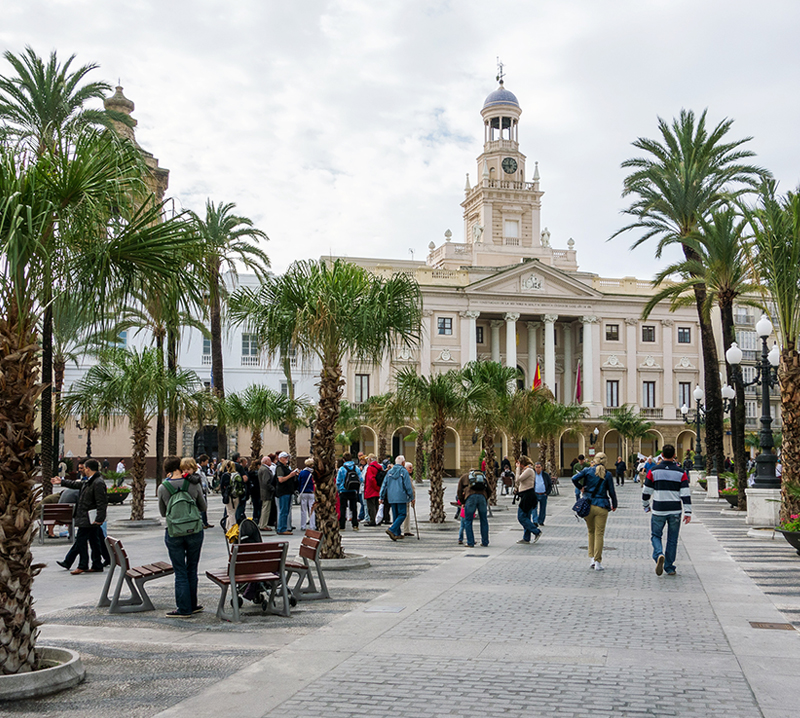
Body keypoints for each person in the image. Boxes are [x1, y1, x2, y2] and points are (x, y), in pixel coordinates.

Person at [158, 455, 206, 617]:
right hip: (195, 530)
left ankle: (183, 609)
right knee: (192, 569)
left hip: (174, 532)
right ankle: (192, 605)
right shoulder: (193, 483)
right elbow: (203, 507)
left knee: (180, 572)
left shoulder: (163, 487)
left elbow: (164, 512)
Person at [643, 443, 692, 576]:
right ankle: (669, 567)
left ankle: (659, 554)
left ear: (662, 455)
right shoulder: (681, 472)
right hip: (675, 509)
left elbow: (646, 491)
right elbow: (685, 493)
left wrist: (646, 505)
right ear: (674, 456)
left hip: (659, 508)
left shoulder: (653, 470)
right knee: (672, 539)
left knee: (655, 535)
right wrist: (688, 512)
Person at [54, 459, 108, 574]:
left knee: (82, 541)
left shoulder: (98, 482)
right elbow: (77, 484)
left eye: (84, 468)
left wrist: (99, 518)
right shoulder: (90, 481)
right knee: (94, 541)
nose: (83, 470)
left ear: (88, 468)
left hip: (89, 518)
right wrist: (62, 482)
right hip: (86, 517)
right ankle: (97, 564)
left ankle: (82, 565)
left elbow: (102, 502)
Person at [572, 452, 617, 571]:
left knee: (591, 531)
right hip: (602, 506)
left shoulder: (587, 470)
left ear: (595, 460)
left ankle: (591, 558)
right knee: (599, 534)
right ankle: (598, 561)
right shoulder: (607, 474)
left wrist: (580, 488)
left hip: (588, 505)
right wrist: (615, 504)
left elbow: (574, 478)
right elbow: (611, 492)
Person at [379, 455, 414, 541]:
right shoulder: (404, 472)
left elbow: (384, 484)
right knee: (402, 514)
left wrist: (381, 496)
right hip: (401, 496)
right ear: (403, 463)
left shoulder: (389, 472)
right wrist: (411, 496)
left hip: (391, 496)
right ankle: (392, 529)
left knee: (395, 515)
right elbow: (407, 486)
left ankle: (397, 533)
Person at [457, 467, 491, 548]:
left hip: (470, 498)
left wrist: (463, 502)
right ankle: (485, 542)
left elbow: (459, 491)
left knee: (468, 520)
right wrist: (485, 498)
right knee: (484, 519)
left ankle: (470, 542)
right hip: (482, 497)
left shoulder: (464, 477)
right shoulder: (483, 477)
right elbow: (489, 490)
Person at [514, 456, 542, 545]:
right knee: (526, 517)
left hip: (528, 495)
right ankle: (526, 538)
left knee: (521, 517)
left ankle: (536, 531)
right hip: (526, 495)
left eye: (519, 464)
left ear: (522, 464)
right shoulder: (527, 470)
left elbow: (517, 479)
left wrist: (517, 469)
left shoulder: (529, 470)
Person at [336, 452, 362, 532]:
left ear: (344, 460)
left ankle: (342, 525)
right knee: (354, 508)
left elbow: (338, 481)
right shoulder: (356, 468)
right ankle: (355, 525)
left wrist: (339, 489)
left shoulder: (342, 469)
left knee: (343, 508)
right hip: (353, 491)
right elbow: (361, 479)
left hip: (343, 491)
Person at [275, 452, 299, 535]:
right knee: (283, 511)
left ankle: (283, 527)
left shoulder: (285, 467)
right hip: (283, 491)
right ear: (280, 458)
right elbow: (280, 480)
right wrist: (290, 475)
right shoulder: (279, 467)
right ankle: (281, 528)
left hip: (288, 491)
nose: (286, 459)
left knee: (286, 510)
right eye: (285, 458)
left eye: (287, 458)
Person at [363, 453, 383, 526]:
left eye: (368, 459)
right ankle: (377, 520)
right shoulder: (379, 467)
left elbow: (371, 479)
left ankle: (372, 521)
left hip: (371, 490)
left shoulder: (370, 468)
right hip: (377, 490)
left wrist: (375, 487)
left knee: (371, 506)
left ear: (370, 459)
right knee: (376, 505)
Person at [531, 460, 552, 526]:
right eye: (536, 467)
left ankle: (541, 521)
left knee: (543, 509)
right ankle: (535, 521)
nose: (537, 469)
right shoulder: (532, 475)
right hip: (535, 494)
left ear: (541, 468)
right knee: (534, 508)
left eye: (539, 467)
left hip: (543, 494)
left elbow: (549, 484)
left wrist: (547, 493)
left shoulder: (545, 475)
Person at [258, 456, 276, 532]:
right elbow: (266, 482)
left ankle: (262, 523)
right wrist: (273, 489)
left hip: (263, 491)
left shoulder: (262, 468)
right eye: (269, 461)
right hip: (266, 492)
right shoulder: (265, 470)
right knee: (266, 509)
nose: (271, 462)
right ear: (266, 462)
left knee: (264, 508)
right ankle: (263, 525)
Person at [298, 457, 316, 530]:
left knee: (303, 510)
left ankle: (303, 525)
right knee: (312, 510)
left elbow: (299, 481)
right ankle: (312, 525)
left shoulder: (302, 472)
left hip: (303, 492)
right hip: (311, 492)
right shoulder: (314, 473)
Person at [197, 454, 213, 528]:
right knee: (202, 507)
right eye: (206, 461)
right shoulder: (198, 470)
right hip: (201, 491)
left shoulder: (201, 469)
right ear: (202, 462)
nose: (207, 463)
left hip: (203, 490)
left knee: (204, 506)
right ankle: (203, 523)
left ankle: (205, 522)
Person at [401, 461, 416, 537]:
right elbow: (410, 489)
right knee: (404, 515)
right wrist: (412, 497)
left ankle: (407, 530)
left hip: (405, 498)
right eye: (410, 468)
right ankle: (393, 527)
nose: (411, 469)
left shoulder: (406, 476)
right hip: (405, 498)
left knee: (406, 515)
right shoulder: (406, 477)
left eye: (412, 468)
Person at [247, 457, 262, 525]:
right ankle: (258, 518)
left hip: (253, 491)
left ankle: (255, 518)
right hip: (258, 491)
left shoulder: (250, 472)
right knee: (259, 506)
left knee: (255, 506)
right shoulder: (258, 473)